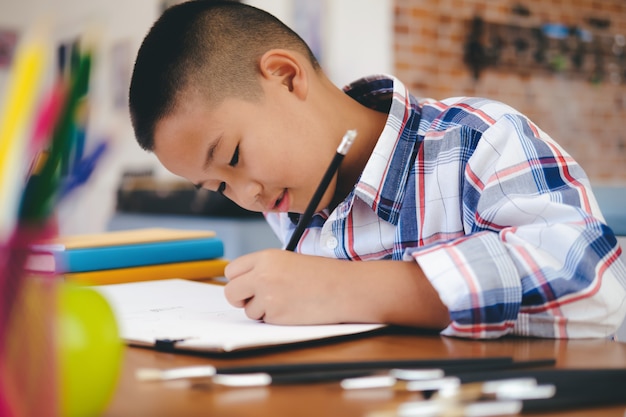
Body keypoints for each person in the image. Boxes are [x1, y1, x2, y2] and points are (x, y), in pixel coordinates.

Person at [128, 0, 626, 339]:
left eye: (233, 156)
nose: (247, 195)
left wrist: (347, 289)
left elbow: (595, 289)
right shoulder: (290, 201)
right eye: (217, 187)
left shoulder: (478, 140)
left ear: (284, 76)